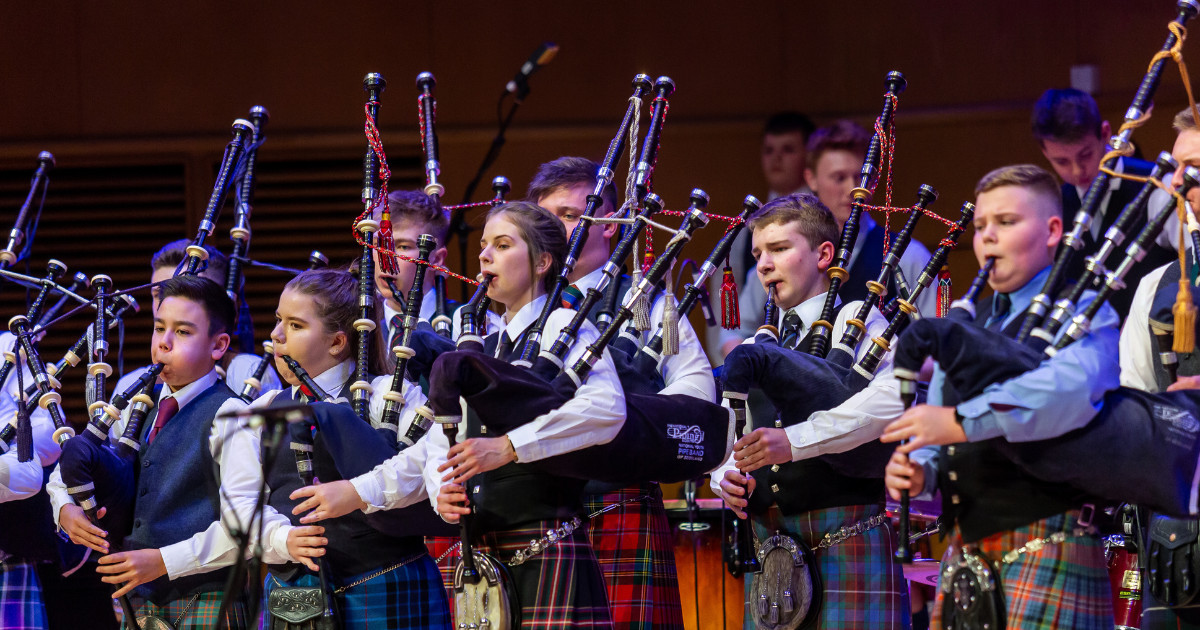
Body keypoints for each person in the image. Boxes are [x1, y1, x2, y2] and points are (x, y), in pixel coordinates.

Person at [882, 164, 1119, 629]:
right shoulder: (970, 323)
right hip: (967, 554)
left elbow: (1065, 392)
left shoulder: (1084, 308)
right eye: (980, 226)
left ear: (1053, 231)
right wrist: (920, 472)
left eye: (1006, 222)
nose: (987, 237)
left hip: (1051, 541)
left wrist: (959, 422)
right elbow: (940, 424)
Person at [529, 156, 715, 628]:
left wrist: (623, 417)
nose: (556, 228)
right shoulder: (518, 304)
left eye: (571, 216)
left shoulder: (648, 301)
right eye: (546, 217)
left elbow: (696, 395)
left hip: (619, 504)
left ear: (612, 223)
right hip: (535, 513)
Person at [710, 193, 909, 629]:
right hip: (769, 550)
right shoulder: (752, 346)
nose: (763, 264)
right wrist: (722, 476)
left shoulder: (856, 321)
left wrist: (794, 442)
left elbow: (889, 402)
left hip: (845, 536)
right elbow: (727, 430)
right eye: (759, 252)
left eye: (780, 249)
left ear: (823, 255)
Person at [249, 268, 452, 628]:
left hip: (387, 585)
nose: (276, 336)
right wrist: (282, 539)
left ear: (337, 342)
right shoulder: (264, 408)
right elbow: (239, 505)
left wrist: (357, 492)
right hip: (295, 596)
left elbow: (428, 471)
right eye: (278, 320)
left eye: (295, 325)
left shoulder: (387, 394)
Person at [52, 275, 254, 628]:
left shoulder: (232, 415)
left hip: (208, 601)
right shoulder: (133, 405)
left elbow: (245, 530)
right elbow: (77, 460)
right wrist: (65, 509)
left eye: (184, 332)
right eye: (159, 328)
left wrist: (163, 561)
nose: (164, 343)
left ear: (219, 345)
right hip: (139, 608)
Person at [721, 120, 934, 356]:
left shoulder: (908, 255)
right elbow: (734, 334)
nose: (855, 189)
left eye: (861, 177)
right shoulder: (780, 255)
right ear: (811, 179)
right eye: (839, 178)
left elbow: (936, 349)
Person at [1115, 105, 1200, 629]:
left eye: (1193, 168)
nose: (1177, 183)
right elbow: (1133, 407)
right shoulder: (1156, 287)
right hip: (1182, 548)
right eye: (1177, 169)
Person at [1032, 87, 1176, 321]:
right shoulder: (1053, 206)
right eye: (1061, 162)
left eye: (1085, 154)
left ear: (1105, 133)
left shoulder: (1158, 184)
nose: (1078, 171)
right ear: (1044, 152)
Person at [113, 240, 282, 397]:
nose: (173, 304)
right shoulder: (128, 386)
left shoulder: (247, 372)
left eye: (190, 292)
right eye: (160, 294)